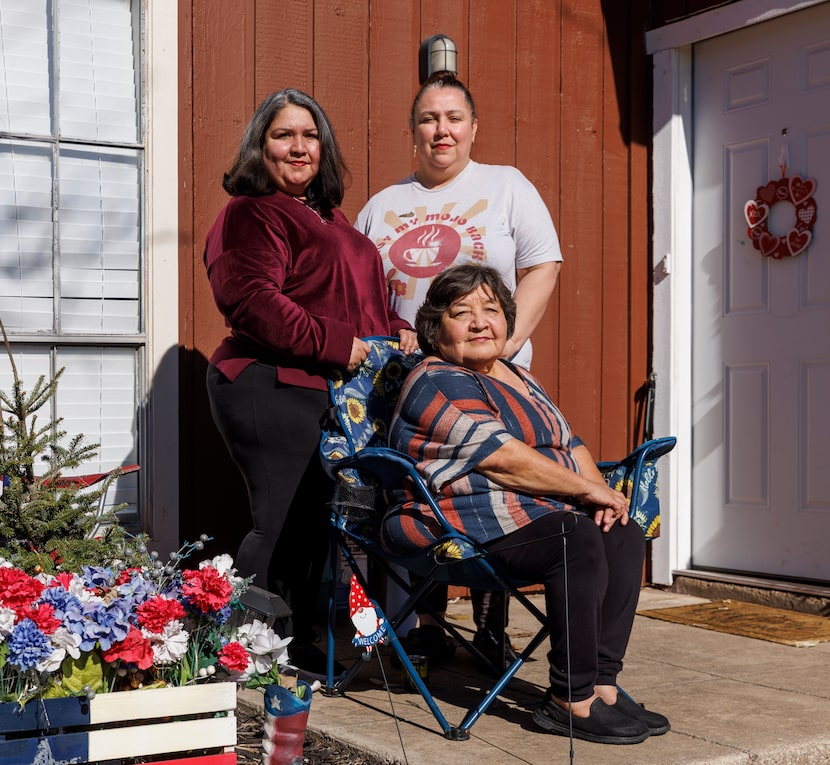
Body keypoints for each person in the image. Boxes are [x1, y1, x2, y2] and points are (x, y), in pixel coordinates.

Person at [382, 265, 670, 744]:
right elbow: (501, 458)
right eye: (462, 313)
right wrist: (584, 492)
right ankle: (569, 700)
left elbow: (569, 441)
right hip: (456, 519)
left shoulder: (519, 375)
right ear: (436, 328)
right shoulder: (436, 378)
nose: (479, 323)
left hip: (534, 513)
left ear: (507, 322)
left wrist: (603, 496)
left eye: (491, 311)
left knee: (620, 530)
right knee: (573, 535)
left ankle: (602, 684)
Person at [203, 88, 415, 677]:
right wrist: (337, 345)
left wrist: (397, 330)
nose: (298, 147)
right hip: (272, 382)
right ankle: (248, 648)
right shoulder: (251, 213)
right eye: (283, 135)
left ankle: (313, 646)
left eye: (310, 135)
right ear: (260, 146)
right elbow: (250, 300)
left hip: (335, 390)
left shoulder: (332, 220)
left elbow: (364, 304)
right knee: (285, 518)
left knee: (328, 520)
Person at [355, 71, 562, 665]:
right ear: (411, 132)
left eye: (453, 118)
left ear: (473, 129)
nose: (441, 130)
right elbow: (366, 293)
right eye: (428, 119)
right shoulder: (383, 206)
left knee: (494, 486)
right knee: (424, 492)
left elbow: (543, 266)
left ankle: (491, 628)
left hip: (490, 376)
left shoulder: (506, 187)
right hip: (413, 381)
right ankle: (425, 623)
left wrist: (506, 342)